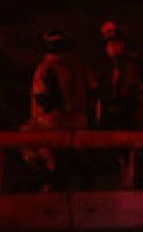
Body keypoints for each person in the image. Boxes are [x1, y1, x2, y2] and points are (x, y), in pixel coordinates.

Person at [27, 29, 93, 189]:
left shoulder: (45, 68)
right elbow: (94, 90)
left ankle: (49, 184)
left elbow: (42, 98)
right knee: (77, 163)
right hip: (79, 122)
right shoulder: (79, 66)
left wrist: (59, 107)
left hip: (51, 124)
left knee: (33, 149)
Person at [96, 21, 143, 130]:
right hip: (111, 116)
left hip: (134, 115)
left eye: (116, 43)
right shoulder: (103, 67)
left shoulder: (135, 64)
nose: (112, 47)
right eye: (109, 44)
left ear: (122, 44)